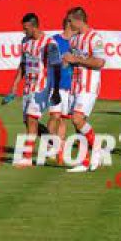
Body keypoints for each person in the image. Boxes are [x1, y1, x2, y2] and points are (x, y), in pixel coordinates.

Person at [6, 13, 62, 167]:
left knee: (31, 119)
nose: (24, 31)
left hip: (42, 87)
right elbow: (23, 64)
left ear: (34, 26)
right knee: (29, 122)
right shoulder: (25, 41)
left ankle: (27, 157)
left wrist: (56, 90)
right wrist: (15, 85)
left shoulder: (49, 43)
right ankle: (54, 144)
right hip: (28, 87)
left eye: (26, 28)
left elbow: (56, 68)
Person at [62, 7, 106, 173]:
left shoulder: (95, 38)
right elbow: (75, 60)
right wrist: (68, 61)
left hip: (89, 85)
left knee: (77, 119)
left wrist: (75, 59)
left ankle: (96, 148)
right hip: (76, 85)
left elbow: (100, 62)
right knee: (77, 125)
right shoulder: (73, 40)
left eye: (70, 21)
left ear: (78, 20)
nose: (68, 24)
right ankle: (85, 160)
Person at [47, 18, 76, 163]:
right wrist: (63, 61)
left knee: (64, 118)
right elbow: (51, 61)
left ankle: (60, 148)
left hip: (71, 86)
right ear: (69, 25)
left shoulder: (77, 43)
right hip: (56, 86)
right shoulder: (54, 41)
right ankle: (50, 146)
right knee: (54, 117)